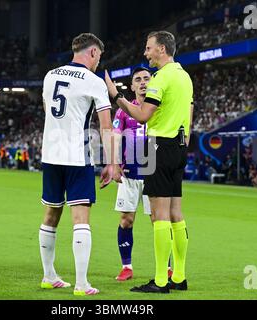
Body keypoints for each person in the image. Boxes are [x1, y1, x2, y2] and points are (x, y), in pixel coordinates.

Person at [105, 30, 193, 293]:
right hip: (179, 146)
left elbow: (143, 115)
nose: (146, 53)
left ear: (162, 49)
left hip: (159, 147)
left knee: (160, 215)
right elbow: (189, 111)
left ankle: (160, 281)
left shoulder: (161, 78)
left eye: (148, 48)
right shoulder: (184, 76)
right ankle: (179, 276)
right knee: (176, 214)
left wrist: (117, 97)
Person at [39, 33, 122, 296]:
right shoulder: (94, 81)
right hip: (77, 156)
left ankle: (49, 276)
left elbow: (47, 110)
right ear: (94, 52)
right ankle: (82, 283)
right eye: (100, 57)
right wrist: (111, 162)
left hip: (50, 154)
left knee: (51, 214)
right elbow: (106, 126)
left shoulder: (50, 75)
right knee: (81, 218)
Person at [112, 67, 174, 281]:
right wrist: (114, 163)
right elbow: (115, 136)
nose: (142, 82)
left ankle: (166, 267)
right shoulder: (124, 110)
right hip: (129, 174)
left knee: (159, 221)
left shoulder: (160, 107)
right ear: (132, 86)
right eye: (137, 79)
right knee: (126, 220)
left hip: (154, 173)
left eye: (147, 78)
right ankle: (126, 267)